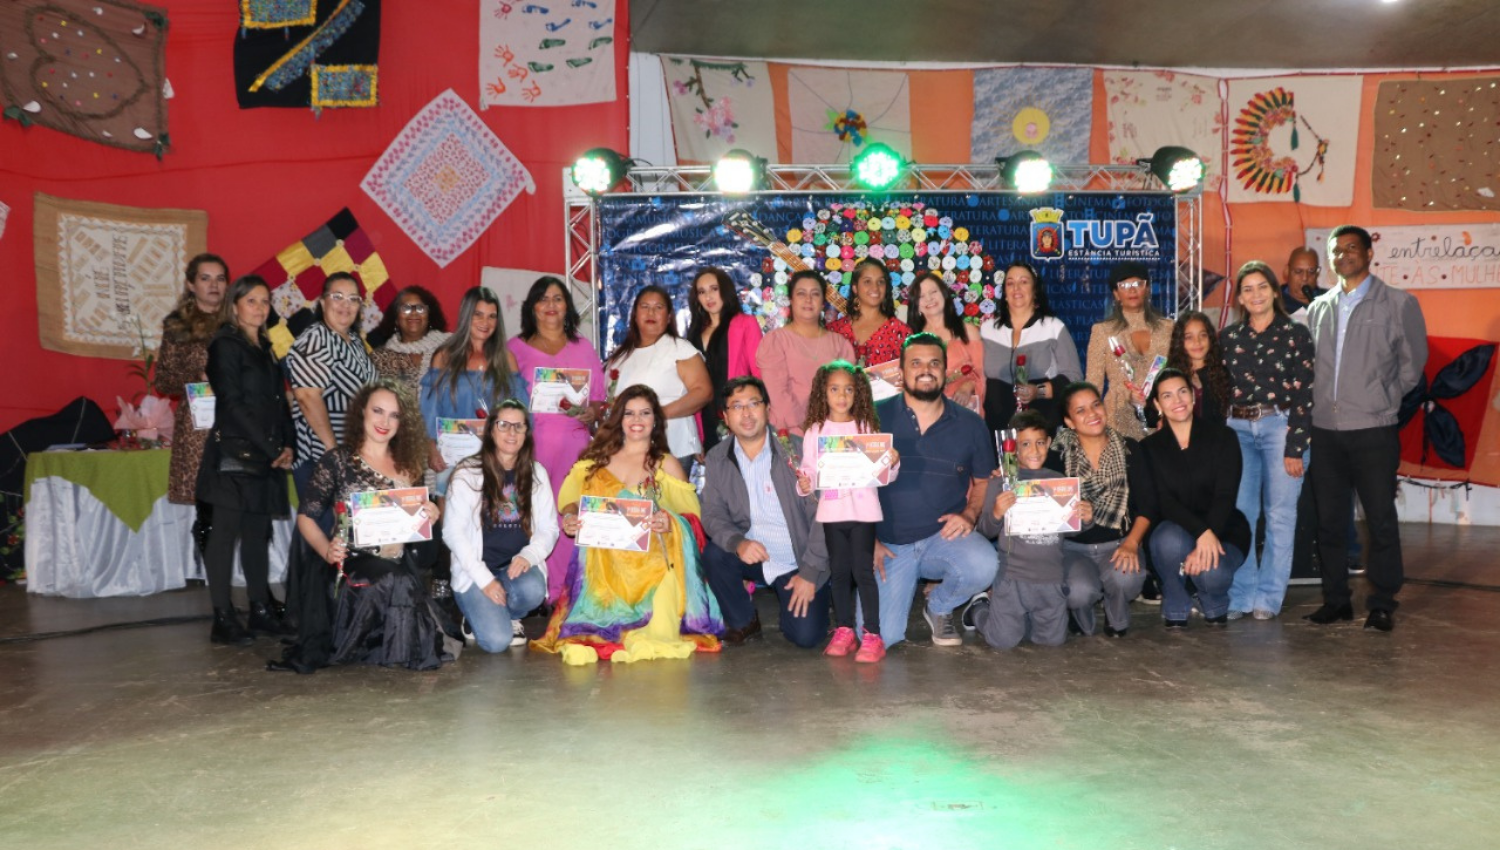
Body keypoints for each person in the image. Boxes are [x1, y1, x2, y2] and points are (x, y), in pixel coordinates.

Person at [535, 385, 723, 664]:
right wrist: (573, 517)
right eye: (630, 413)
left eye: (645, 413)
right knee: (589, 636)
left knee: (654, 637)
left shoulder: (666, 464)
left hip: (656, 572)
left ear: (656, 419)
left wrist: (669, 522)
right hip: (603, 574)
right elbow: (570, 500)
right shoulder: (594, 462)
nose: (637, 420)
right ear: (618, 419)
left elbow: (694, 522)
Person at [1304, 226, 1427, 631]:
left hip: (1373, 428)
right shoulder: (1319, 307)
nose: (1344, 255)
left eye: (1352, 248)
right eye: (1336, 250)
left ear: (1369, 253)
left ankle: (1382, 602)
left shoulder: (1398, 303)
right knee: (1330, 521)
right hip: (1325, 430)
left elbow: (1412, 366)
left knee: (1379, 518)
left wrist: (1384, 399)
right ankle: (1336, 599)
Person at [290, 380, 451, 670]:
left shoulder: (408, 465)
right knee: (394, 581)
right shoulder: (337, 461)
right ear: (362, 411)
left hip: (397, 564)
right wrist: (327, 549)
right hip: (351, 566)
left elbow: (418, 541)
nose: (384, 421)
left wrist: (430, 517)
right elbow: (306, 517)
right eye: (378, 411)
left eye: (394, 415)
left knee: (399, 579)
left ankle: (393, 653)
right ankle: (386, 651)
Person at [873, 332, 998, 647]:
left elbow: (983, 480)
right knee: (882, 637)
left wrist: (970, 514)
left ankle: (939, 606)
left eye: (934, 363)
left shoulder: (971, 424)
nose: (925, 370)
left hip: (942, 539)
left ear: (945, 372)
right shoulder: (873, 416)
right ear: (901, 373)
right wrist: (868, 540)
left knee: (985, 564)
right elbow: (852, 487)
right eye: (916, 363)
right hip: (888, 544)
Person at [195, 275, 294, 645]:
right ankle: (222, 617)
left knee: (256, 536)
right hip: (235, 456)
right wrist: (272, 448)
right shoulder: (225, 345)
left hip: (266, 455)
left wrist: (289, 443)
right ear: (234, 306)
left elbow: (278, 402)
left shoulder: (265, 347)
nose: (259, 307)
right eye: (251, 301)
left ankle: (260, 612)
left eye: (265, 301)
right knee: (223, 536)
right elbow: (232, 405)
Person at [701, 377, 834, 650]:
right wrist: (738, 543)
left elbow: (825, 515)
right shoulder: (717, 458)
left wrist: (810, 573)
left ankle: (820, 592)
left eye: (753, 404)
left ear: (767, 409)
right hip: (754, 554)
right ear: (726, 417)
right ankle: (744, 621)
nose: (746, 414)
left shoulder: (797, 451)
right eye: (736, 407)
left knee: (805, 637)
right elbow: (712, 514)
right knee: (715, 554)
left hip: (798, 559)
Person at [1220, 262, 1315, 620]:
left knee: (1279, 516)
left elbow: (1306, 394)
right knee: (1242, 516)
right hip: (1238, 430)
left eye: (1262, 287)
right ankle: (1242, 594)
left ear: (1276, 291)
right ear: (1240, 298)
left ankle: (1269, 597)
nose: (1255, 294)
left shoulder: (1296, 334)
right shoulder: (1228, 338)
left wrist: (1296, 447)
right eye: (1247, 289)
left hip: (1281, 429)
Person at [507, 276, 606, 602]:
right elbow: (506, 402)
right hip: (530, 448)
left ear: (568, 306)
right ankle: (534, 589)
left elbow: (598, 399)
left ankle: (566, 591)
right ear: (532, 307)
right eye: (543, 299)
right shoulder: (514, 348)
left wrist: (592, 412)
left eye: (558, 298)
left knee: (571, 513)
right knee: (533, 515)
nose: (551, 305)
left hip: (575, 447)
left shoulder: (584, 347)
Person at [796, 362, 898, 661]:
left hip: (863, 512)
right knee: (839, 573)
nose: (842, 396)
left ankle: (873, 634)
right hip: (831, 513)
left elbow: (884, 475)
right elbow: (810, 469)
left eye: (849, 389)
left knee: (862, 572)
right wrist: (804, 481)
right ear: (823, 393)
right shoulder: (815, 430)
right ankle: (843, 629)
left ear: (859, 393)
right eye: (835, 389)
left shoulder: (866, 428)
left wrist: (891, 462)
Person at [443, 400, 558, 652]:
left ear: (527, 433)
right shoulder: (467, 473)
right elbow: (452, 532)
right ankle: (474, 616)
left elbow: (549, 529)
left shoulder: (537, 473)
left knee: (533, 589)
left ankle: (507, 612)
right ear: (491, 430)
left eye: (519, 426)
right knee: (496, 642)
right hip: (475, 573)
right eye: (503, 425)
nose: (511, 432)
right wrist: (485, 580)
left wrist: (529, 555)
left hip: (513, 571)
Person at [1140, 369, 1249, 628]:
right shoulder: (1148, 448)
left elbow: (1225, 495)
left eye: (1182, 392)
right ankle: (1175, 597)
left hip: (1223, 527)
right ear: (1157, 404)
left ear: (1192, 395)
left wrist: (1209, 534)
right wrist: (1201, 533)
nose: (1177, 401)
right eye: (1167, 396)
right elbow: (1163, 501)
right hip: (1175, 530)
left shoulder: (1224, 437)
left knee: (1213, 574)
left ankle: (1213, 600)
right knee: (1167, 539)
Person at [1049, 382, 1154, 638]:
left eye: (1096, 405)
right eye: (1081, 410)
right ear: (1069, 421)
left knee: (1126, 578)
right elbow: (1038, 501)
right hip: (1073, 550)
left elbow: (1148, 505)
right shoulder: (1056, 456)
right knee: (1077, 592)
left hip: (1119, 544)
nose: (1092, 414)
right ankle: (1079, 612)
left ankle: (1116, 613)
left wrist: (1131, 543)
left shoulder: (1130, 448)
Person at [969, 411, 1074, 649]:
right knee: (1002, 641)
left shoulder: (1059, 483)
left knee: (1051, 641)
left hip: (1051, 579)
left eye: (1040, 443)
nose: (1034, 451)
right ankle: (979, 609)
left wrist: (1084, 517)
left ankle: (1020, 619)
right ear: (1013, 448)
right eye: (1025, 444)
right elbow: (984, 530)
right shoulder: (1001, 483)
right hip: (1013, 578)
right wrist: (996, 512)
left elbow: (1074, 531)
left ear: (1049, 442)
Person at [157, 253, 229, 556]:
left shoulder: (239, 321)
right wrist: (195, 376)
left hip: (237, 424)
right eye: (205, 278)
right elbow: (163, 381)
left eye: (220, 278)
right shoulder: (177, 326)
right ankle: (215, 577)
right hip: (199, 429)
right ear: (190, 284)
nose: (214, 285)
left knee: (238, 503)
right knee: (210, 506)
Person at [421, 287, 527, 491]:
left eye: (492, 316)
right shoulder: (444, 357)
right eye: (478, 315)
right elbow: (429, 411)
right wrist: (431, 448)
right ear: (466, 316)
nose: (485, 323)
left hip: (497, 457)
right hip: (452, 458)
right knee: (453, 520)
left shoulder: (506, 360)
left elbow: (521, 412)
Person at [286, 272, 378, 500]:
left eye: (353, 299)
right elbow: (307, 396)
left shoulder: (355, 342)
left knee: (340, 531)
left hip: (352, 456)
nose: (345, 305)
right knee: (322, 530)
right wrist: (333, 450)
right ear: (322, 301)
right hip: (321, 457)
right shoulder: (318, 337)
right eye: (338, 297)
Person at [605, 286, 713, 468]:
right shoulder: (619, 357)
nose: (651, 313)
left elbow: (703, 392)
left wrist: (657, 415)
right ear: (635, 314)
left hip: (671, 445)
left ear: (669, 316)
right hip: (626, 448)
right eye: (645, 306)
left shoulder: (679, 348)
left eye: (658, 307)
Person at [757, 270, 857, 451]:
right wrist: (810, 429)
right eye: (801, 293)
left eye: (815, 294)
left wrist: (830, 427)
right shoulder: (776, 341)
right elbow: (778, 395)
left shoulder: (840, 344)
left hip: (833, 436)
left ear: (823, 302)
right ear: (791, 300)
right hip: (789, 434)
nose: (808, 300)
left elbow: (849, 392)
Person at [980, 261, 1082, 431]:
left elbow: (1074, 377)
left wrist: (1037, 391)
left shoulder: (1053, 327)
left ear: (1035, 291)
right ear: (1004, 292)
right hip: (996, 425)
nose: (1016, 288)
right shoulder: (987, 329)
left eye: (1024, 282)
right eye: (1010, 283)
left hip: (1041, 425)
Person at [1085, 262, 1174, 439]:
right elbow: (1093, 385)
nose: (1132, 290)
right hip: (1118, 417)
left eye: (1138, 284)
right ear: (1116, 294)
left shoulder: (1168, 328)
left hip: (1161, 412)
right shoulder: (1102, 331)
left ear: (1147, 288)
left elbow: (1179, 373)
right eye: (1124, 285)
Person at [688, 266, 764, 454]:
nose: (709, 297)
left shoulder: (745, 323)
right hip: (705, 417)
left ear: (725, 290)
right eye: (702, 292)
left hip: (739, 414)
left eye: (714, 289)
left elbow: (759, 373)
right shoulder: (694, 333)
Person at [908, 271, 986, 414]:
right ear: (916, 304)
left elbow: (981, 374)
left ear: (944, 294)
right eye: (922, 296)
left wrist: (968, 386)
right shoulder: (913, 338)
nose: (929, 299)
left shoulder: (967, 331)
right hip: (928, 414)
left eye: (933, 292)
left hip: (965, 412)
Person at [368, 286, 450, 402]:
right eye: (406, 308)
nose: (413, 313)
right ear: (396, 318)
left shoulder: (450, 348)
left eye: (420, 308)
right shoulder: (379, 359)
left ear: (429, 316)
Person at [826, 258, 911, 366]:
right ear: (855, 288)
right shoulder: (834, 331)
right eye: (867, 281)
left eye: (880, 282)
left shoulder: (900, 332)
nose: (875, 288)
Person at [1161, 310, 1232, 424]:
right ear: (1179, 341)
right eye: (1189, 337)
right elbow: (1151, 416)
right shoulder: (1170, 375)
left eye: (1203, 335)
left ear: (1210, 338)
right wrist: (1139, 402)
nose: (1197, 342)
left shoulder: (1222, 374)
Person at [1282, 246, 1326, 324]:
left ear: (1317, 273)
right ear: (1287, 271)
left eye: (1311, 271)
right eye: (1298, 271)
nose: (1305, 278)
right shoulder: (1275, 303)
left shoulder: (1330, 299)